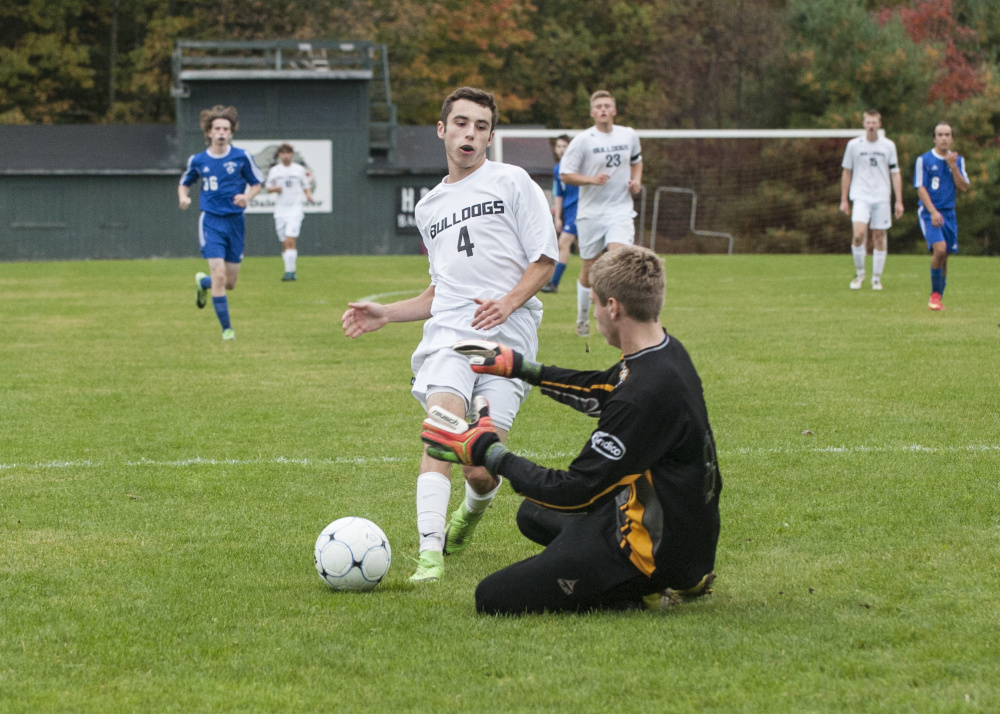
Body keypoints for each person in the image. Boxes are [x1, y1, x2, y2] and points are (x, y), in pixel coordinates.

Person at [421, 246, 720, 615]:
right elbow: (600, 389)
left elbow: (573, 493)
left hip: (652, 554)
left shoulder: (643, 396)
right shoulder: (665, 353)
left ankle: (640, 589)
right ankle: (678, 573)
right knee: (531, 513)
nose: (593, 313)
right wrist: (521, 368)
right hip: (687, 534)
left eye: (593, 303)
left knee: (492, 597)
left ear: (613, 307)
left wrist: (488, 452)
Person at [341, 87, 558, 584]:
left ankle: (472, 512)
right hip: (450, 337)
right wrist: (386, 313)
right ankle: (429, 554)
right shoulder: (431, 206)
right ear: (442, 129)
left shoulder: (513, 182)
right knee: (442, 433)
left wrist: (506, 301)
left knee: (480, 466)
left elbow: (544, 261)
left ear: (490, 136)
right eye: (461, 123)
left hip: (509, 337)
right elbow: (442, 291)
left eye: (481, 126)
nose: (470, 134)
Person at [559, 90, 642, 337]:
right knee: (589, 269)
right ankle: (583, 317)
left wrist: (636, 180)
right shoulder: (584, 140)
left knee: (617, 260)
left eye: (608, 106)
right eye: (599, 106)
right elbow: (565, 174)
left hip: (620, 210)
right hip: (591, 214)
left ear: (614, 110)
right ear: (592, 112)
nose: (604, 110)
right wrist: (591, 180)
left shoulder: (628, 135)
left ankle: (619, 319)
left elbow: (637, 161)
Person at [179, 105, 264, 340]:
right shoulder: (198, 160)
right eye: (217, 128)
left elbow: (257, 183)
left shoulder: (241, 156)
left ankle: (202, 283)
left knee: (229, 282)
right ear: (208, 132)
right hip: (211, 221)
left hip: (235, 222)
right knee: (219, 275)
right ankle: (227, 329)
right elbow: (184, 182)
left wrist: (246, 197)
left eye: (226, 128)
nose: (221, 132)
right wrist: (183, 197)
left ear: (231, 131)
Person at [839, 109, 904, 291]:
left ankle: (876, 278)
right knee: (858, 235)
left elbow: (895, 172)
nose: (871, 126)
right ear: (863, 124)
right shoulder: (854, 145)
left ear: (879, 124)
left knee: (879, 236)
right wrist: (844, 199)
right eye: (868, 122)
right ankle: (860, 273)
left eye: (874, 122)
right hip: (860, 195)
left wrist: (898, 200)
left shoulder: (888, 146)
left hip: (881, 196)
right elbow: (847, 171)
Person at [915, 122, 969, 311]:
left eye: (947, 134)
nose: (944, 138)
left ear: (952, 138)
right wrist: (933, 212)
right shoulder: (924, 160)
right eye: (940, 134)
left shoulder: (958, 160)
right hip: (930, 213)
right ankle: (934, 296)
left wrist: (953, 167)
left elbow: (963, 187)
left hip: (949, 214)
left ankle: (938, 298)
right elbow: (920, 188)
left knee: (945, 255)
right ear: (934, 138)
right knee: (939, 250)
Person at [265, 143, 314, 281]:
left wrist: (308, 195)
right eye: (283, 153)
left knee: (290, 240)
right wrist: (275, 189)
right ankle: (288, 269)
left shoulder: (299, 170)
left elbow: (306, 185)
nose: (285, 155)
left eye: (288, 152)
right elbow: (268, 187)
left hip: (295, 209)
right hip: (280, 210)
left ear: (292, 154)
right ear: (279, 155)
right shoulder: (275, 170)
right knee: (284, 242)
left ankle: (290, 272)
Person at [540, 134, 579, 294]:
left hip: (581, 210)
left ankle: (553, 283)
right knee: (567, 245)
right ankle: (554, 283)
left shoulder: (579, 166)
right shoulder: (558, 169)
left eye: (564, 146)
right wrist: (557, 217)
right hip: (569, 212)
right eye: (558, 146)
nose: (561, 150)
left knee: (563, 243)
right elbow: (559, 195)